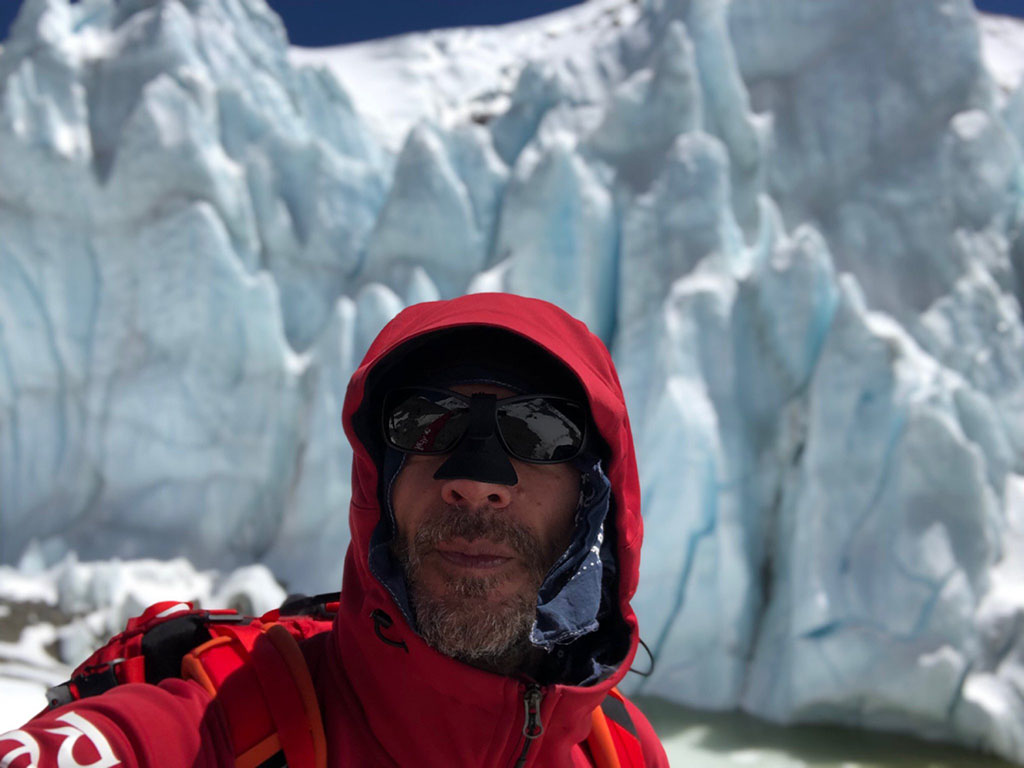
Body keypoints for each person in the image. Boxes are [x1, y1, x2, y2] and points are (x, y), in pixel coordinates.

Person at [0, 293, 669, 767]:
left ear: (594, 496)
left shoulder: (625, 752)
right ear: (379, 482)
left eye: (541, 431)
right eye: (426, 423)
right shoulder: (225, 722)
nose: (477, 478)